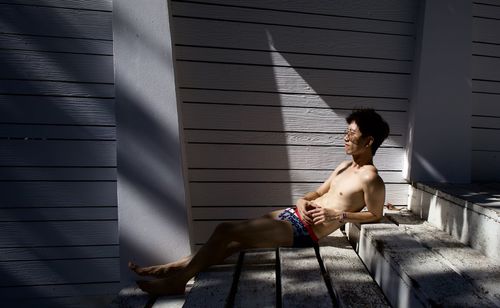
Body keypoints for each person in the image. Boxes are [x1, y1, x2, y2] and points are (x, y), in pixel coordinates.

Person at [129, 108, 390, 295]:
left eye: (351, 133)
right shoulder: (344, 166)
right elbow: (317, 192)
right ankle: (174, 267)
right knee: (232, 242)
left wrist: (340, 217)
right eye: (345, 131)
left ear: (369, 140)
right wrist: (301, 200)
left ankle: (178, 279)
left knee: (225, 230)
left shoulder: (372, 179)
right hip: (293, 214)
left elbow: (375, 214)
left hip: (305, 230)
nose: (345, 137)